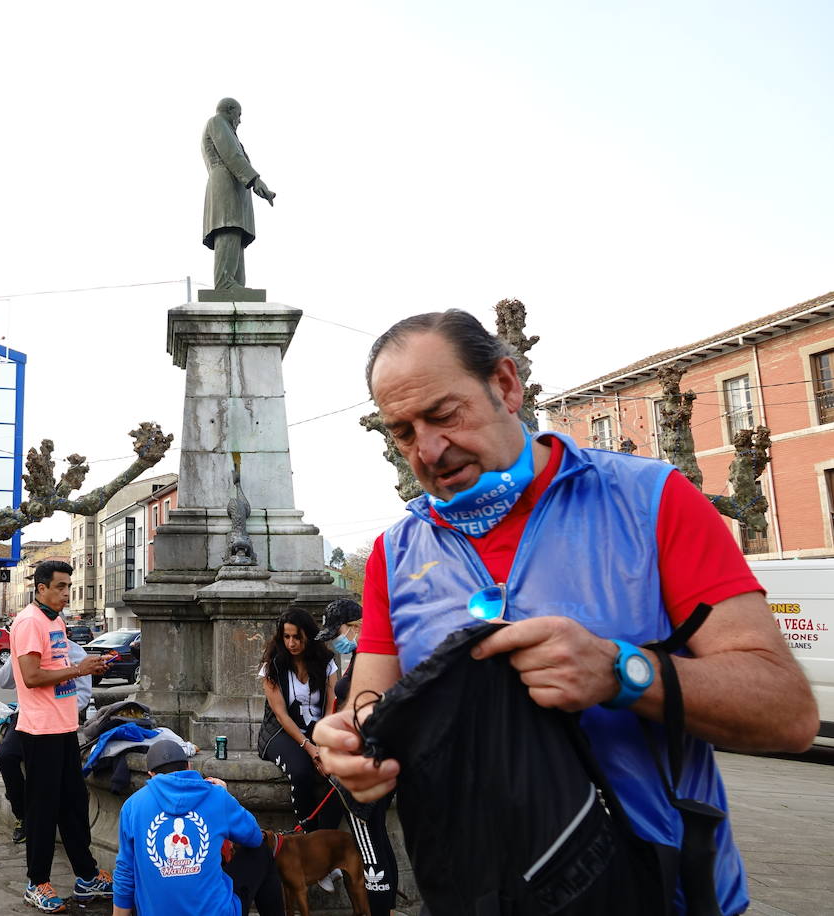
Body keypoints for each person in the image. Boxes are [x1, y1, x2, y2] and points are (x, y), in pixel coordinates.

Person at [313, 309, 819, 915]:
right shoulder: (394, 553)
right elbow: (369, 704)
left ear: (505, 384)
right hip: (469, 894)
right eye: (402, 432)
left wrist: (622, 672)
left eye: (444, 415)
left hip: (657, 893)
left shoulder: (652, 500)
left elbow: (787, 713)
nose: (429, 449)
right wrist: (347, 743)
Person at [12, 559, 113, 912]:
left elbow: (57, 670)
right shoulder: (29, 622)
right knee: (43, 810)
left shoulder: (56, 621)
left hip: (64, 726)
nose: (67, 593)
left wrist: (89, 668)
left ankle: (86, 877)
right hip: (40, 731)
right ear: (41, 588)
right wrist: (79, 668)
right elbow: (31, 676)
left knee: (73, 804)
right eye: (60, 587)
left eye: (68, 587)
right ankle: (36, 882)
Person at [111, 740, 279, 916]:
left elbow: (125, 872)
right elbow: (254, 837)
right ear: (189, 766)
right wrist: (226, 797)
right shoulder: (216, 796)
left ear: (151, 775)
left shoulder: (132, 806)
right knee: (262, 852)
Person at [316, 598, 397, 915]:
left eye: (337, 633)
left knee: (370, 849)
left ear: (355, 627)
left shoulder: (370, 658)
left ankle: (379, 910)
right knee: (378, 837)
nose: (336, 641)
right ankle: (387, 909)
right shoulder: (370, 655)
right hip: (377, 760)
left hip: (365, 765)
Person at [0, 637, 93, 844]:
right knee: (7, 757)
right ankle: (22, 815)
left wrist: (58, 709)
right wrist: (18, 649)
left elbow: (83, 696)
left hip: (58, 720)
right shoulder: (29, 651)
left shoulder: (76, 654)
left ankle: (59, 824)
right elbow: (4, 682)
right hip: (27, 716)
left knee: (54, 773)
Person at [257, 608, 342, 834]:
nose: (292, 643)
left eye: (297, 637)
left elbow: (331, 706)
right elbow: (281, 714)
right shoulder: (272, 666)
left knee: (340, 771)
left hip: (318, 728)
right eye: (287, 637)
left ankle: (326, 838)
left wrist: (323, 745)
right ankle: (309, 836)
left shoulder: (326, 663)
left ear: (308, 636)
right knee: (302, 772)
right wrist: (310, 748)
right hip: (280, 733)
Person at [202, 97, 276, 293]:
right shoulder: (217, 122)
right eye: (239, 115)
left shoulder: (227, 129)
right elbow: (232, 154)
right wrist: (255, 179)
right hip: (225, 183)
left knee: (236, 234)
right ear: (230, 110)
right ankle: (225, 283)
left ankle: (235, 284)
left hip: (233, 184)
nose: (240, 120)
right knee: (229, 227)